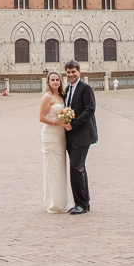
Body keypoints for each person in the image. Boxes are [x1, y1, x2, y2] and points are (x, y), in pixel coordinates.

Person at [63, 59, 98, 215]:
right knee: (79, 168)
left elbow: (90, 109)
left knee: (76, 168)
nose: (71, 74)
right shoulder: (68, 89)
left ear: (79, 72)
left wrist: (74, 124)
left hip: (82, 134)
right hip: (71, 135)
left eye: (73, 72)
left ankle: (81, 204)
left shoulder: (85, 88)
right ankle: (85, 202)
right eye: (68, 72)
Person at [39, 70, 73, 213]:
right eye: (52, 80)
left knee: (60, 168)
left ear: (60, 81)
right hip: (51, 135)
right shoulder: (47, 97)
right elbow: (41, 117)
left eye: (57, 80)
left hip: (61, 136)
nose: (55, 82)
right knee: (52, 168)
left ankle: (62, 201)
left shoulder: (61, 95)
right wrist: (59, 124)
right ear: (48, 82)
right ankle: (54, 203)